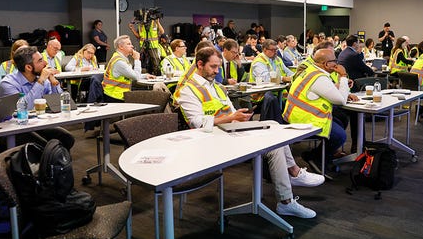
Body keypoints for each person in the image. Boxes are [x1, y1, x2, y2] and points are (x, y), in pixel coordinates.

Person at [176, 46, 323, 218]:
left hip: (228, 132)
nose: (217, 71)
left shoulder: (215, 86)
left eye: (218, 67)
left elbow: (229, 112)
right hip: (210, 140)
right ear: (200, 64)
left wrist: (239, 118)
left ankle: (294, 171)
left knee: (274, 125)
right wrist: (231, 118)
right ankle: (286, 201)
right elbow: (198, 123)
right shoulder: (188, 90)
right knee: (274, 146)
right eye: (213, 67)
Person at [283, 48, 354, 166]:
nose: (337, 64)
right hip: (304, 119)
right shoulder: (320, 78)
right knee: (340, 136)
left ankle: (324, 154)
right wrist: (343, 75)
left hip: (296, 115)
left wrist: (342, 85)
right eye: (334, 61)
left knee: (341, 119)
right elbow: (341, 100)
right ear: (326, 64)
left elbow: (325, 90)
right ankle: (315, 157)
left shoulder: (312, 71)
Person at [0, 46, 74, 149]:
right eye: (40, 61)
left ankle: (58, 164)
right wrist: (41, 80)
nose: (46, 63)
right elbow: (23, 109)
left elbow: (57, 105)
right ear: (28, 67)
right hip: (14, 128)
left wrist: (53, 82)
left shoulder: (41, 80)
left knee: (66, 138)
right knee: (47, 146)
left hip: (37, 124)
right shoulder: (8, 83)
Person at [102, 35, 154, 102]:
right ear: (121, 47)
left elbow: (130, 74)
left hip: (118, 94)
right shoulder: (119, 62)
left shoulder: (121, 58)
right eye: (129, 44)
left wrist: (145, 76)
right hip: (115, 96)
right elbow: (136, 77)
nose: (132, 46)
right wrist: (137, 59)